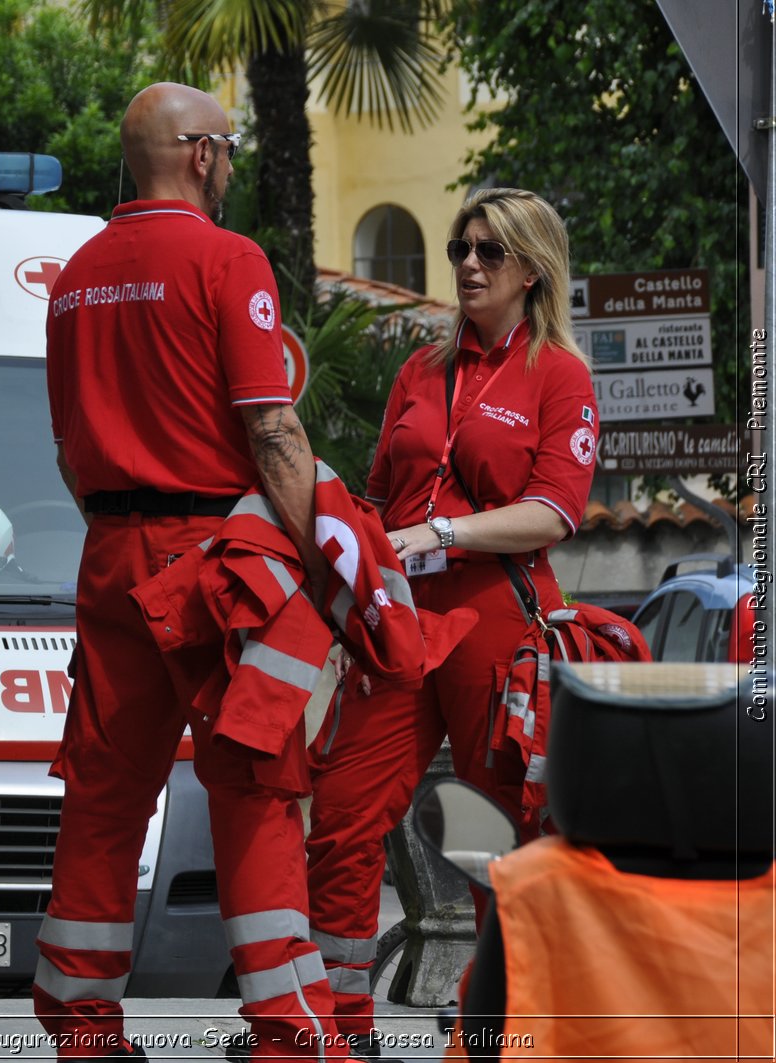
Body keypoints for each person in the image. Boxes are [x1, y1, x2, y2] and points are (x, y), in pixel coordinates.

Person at [36, 82, 341, 1061]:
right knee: (254, 782)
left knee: (103, 792)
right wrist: (328, 571)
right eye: (232, 150)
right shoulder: (228, 259)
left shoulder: (75, 274)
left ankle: (83, 1028)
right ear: (202, 155)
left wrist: (122, 525)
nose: (234, 164)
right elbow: (272, 428)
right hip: (214, 558)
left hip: (108, 555)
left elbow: (64, 449)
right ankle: (288, 1029)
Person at [303, 188, 598, 1058]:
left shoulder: (559, 374)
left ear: (532, 270)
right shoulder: (420, 372)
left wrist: (441, 531)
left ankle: (498, 1033)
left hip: (495, 616)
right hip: (401, 616)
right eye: (459, 247)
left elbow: (552, 511)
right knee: (345, 814)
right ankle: (339, 1031)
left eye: (489, 252)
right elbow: (384, 497)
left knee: (500, 836)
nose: (469, 264)